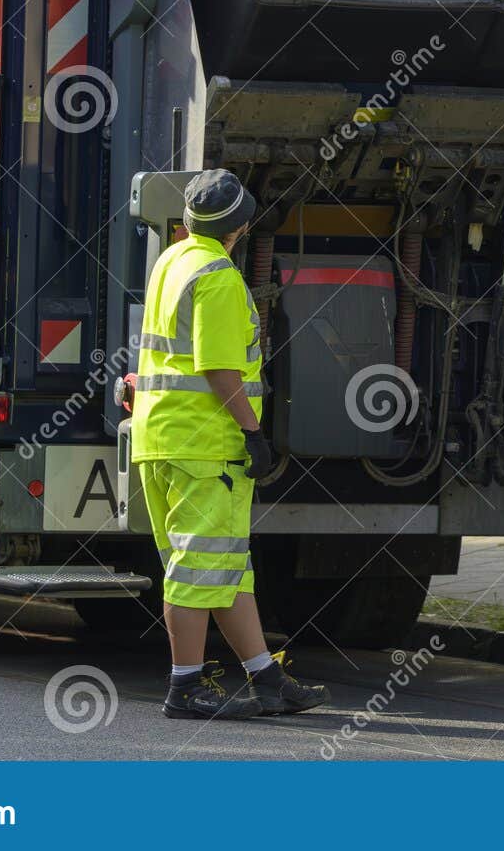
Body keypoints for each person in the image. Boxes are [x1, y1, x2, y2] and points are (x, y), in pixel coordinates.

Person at [130, 169, 328, 720]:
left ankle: (266, 677)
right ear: (241, 228)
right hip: (204, 444)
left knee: (224, 566)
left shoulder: (172, 260)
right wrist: (253, 433)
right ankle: (184, 688)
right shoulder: (217, 276)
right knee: (198, 569)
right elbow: (219, 369)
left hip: (162, 437)